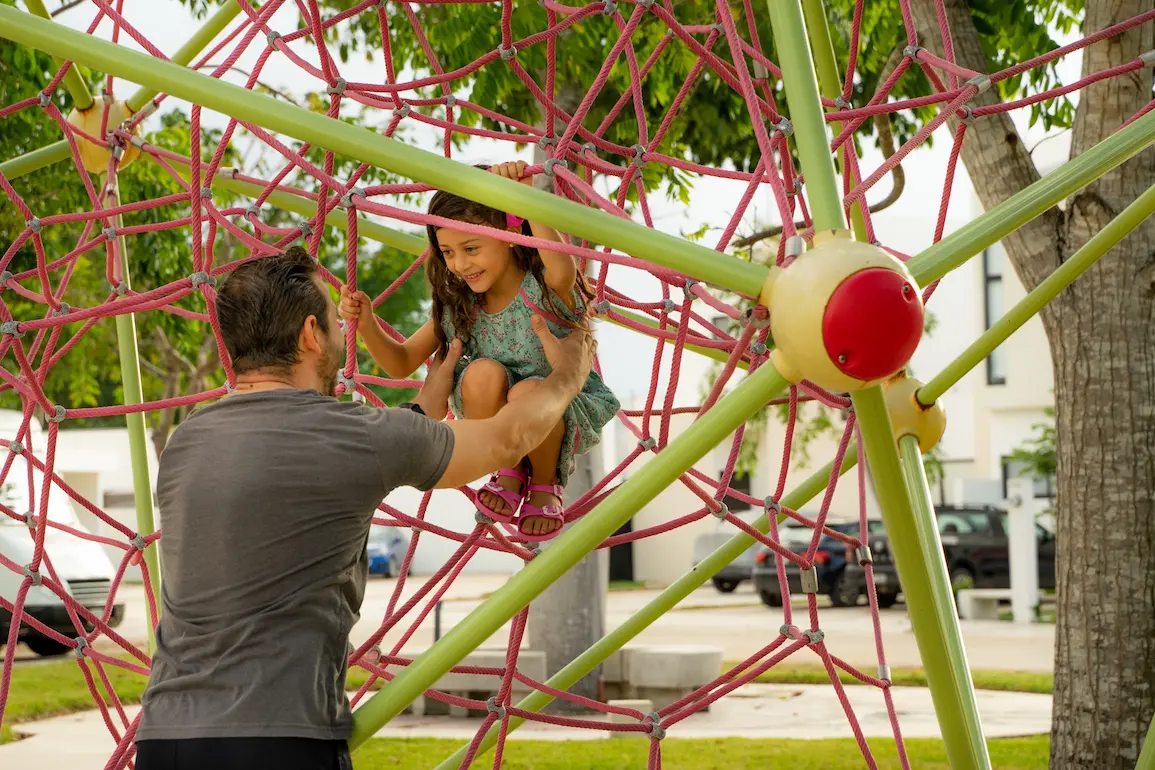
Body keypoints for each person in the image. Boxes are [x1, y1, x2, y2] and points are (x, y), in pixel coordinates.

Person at [133, 245, 595, 770]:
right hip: (278, 740)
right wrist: (566, 377)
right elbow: (506, 440)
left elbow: (310, 464)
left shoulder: (186, 443)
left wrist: (424, 406)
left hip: (165, 737)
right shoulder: (355, 437)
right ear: (311, 335)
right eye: (334, 321)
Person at [340, 161, 620, 542]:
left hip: (556, 411)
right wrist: (368, 323)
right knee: (481, 372)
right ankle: (507, 468)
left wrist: (526, 198)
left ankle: (542, 482)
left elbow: (563, 269)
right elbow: (401, 363)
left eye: (470, 248)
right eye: (448, 252)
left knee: (527, 391)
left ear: (509, 233)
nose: (459, 264)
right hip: (494, 421)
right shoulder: (462, 307)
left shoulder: (544, 289)